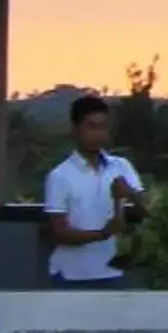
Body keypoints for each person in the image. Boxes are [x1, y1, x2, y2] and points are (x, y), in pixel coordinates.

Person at [42, 94, 146, 287]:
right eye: (91, 127)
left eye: (103, 127)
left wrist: (130, 193)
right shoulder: (60, 176)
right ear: (75, 130)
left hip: (114, 273)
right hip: (71, 275)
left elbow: (147, 210)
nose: (98, 134)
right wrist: (103, 234)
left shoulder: (121, 166)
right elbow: (59, 232)